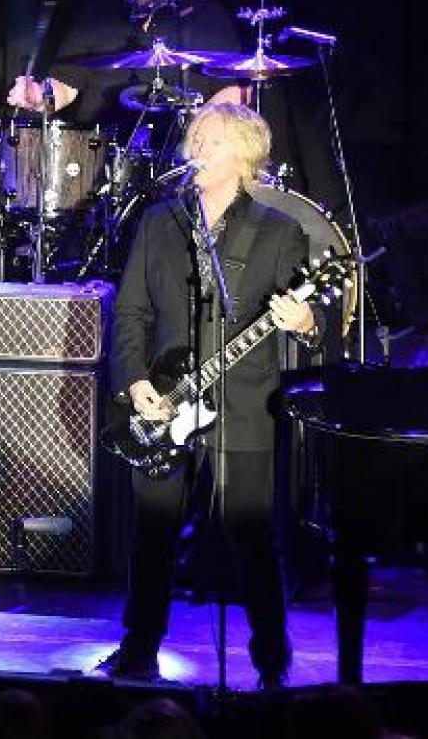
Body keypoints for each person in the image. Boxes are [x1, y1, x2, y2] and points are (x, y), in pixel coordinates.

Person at [103, 103, 320, 689]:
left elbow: (308, 316)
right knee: (152, 536)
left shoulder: (279, 233)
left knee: (251, 538)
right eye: (195, 136)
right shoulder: (158, 224)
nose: (196, 146)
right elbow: (130, 312)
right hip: (166, 403)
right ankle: (138, 650)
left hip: (245, 410)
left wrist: (302, 320)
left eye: (213, 139)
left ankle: (271, 663)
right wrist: (136, 381)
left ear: (244, 158)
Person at [7, 0, 245, 131]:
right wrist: (37, 97)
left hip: (180, 150)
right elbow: (65, 85)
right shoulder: (96, 16)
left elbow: (236, 90)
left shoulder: (205, 15)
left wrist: (201, 130)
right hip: (101, 148)